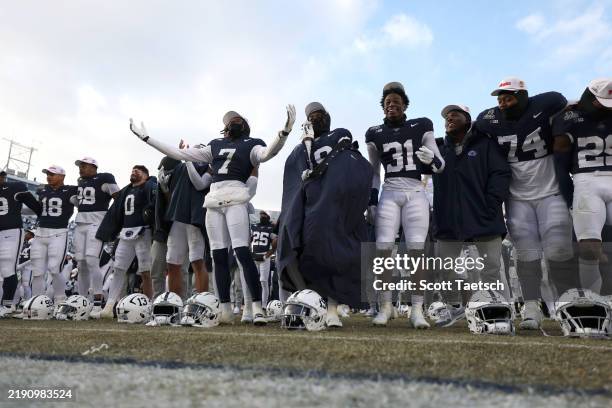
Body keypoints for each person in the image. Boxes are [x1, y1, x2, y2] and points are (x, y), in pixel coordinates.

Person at [130, 105, 296, 325]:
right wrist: (147, 138)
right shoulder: (214, 146)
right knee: (218, 257)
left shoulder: (252, 144)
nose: (232, 123)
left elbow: (267, 154)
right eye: (228, 122)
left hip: (236, 197)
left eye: (236, 120)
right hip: (213, 200)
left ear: (245, 125)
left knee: (242, 253)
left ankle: (256, 307)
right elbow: (179, 153)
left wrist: (283, 133)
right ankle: (225, 308)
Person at [475, 77, 577, 330]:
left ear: (523, 96)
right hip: (517, 197)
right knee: (526, 254)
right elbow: (473, 137)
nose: (503, 103)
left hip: (551, 191)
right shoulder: (488, 119)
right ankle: (531, 305)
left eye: (508, 97)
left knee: (558, 250)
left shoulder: (548, 102)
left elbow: (568, 109)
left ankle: (568, 303)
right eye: (499, 99)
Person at [277, 102, 372, 328]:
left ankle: (332, 308)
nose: (315, 119)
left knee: (335, 254)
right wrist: (306, 144)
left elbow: (345, 163)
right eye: (311, 116)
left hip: (334, 203)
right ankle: (308, 302)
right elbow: (295, 181)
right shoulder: (299, 149)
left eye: (319, 115)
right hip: (309, 204)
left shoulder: (339, 135)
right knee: (299, 250)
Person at [365, 82, 445, 328]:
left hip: (415, 190)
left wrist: (432, 160)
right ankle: (386, 306)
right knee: (383, 251)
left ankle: (417, 309)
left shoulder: (422, 124)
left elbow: (440, 165)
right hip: (389, 191)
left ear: (405, 104)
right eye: (388, 101)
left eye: (396, 101)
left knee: (416, 252)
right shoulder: (374, 132)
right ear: (383, 106)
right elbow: (374, 172)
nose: (392, 104)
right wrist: (371, 200)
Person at [432, 104, 511, 326]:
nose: (449, 118)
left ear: (468, 119)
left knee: (491, 268)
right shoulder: (437, 148)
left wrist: (491, 204)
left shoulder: (486, 144)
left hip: (483, 215)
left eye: (454, 114)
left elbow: (500, 173)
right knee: (444, 268)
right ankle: (455, 306)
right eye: (446, 116)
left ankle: (494, 308)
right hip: (449, 219)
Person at [553, 78, 612, 294]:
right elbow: (560, 166)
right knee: (588, 248)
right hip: (586, 180)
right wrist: (569, 199)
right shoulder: (569, 117)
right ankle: (594, 301)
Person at [96, 165, 157, 317]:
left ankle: (149, 305)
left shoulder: (150, 186)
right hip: (125, 232)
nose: (134, 172)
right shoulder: (126, 190)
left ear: (146, 175)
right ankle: (109, 306)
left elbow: (155, 204)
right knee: (118, 269)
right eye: (132, 170)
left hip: (144, 232)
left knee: (145, 271)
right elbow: (116, 211)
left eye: (138, 171)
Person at [73, 157, 120, 316]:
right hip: (80, 224)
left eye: (84, 166)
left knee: (92, 260)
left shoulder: (104, 177)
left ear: (94, 167)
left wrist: (111, 219)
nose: (81, 168)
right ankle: (81, 301)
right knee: (81, 264)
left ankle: (97, 303)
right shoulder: (80, 182)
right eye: (80, 166)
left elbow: (118, 197)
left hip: (96, 223)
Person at [29, 166, 78, 310]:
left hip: (58, 233)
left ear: (62, 177)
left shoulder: (70, 190)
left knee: (54, 269)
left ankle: (60, 300)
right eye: (47, 174)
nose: (48, 176)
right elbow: (38, 208)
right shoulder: (43, 190)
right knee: (37, 271)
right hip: (40, 233)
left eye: (52, 174)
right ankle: (36, 304)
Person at [0, 170, 38, 317]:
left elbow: (34, 205)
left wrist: (43, 219)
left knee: (8, 268)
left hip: (11, 232)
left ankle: (7, 304)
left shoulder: (15, 187)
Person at [250, 211, 276, 307]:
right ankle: (255, 303)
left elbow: (275, 242)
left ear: (268, 216)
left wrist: (268, 254)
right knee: (254, 280)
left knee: (264, 281)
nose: (262, 216)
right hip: (255, 255)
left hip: (265, 256)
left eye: (264, 214)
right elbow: (249, 239)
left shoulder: (271, 227)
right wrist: (250, 252)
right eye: (261, 214)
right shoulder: (254, 226)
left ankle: (264, 305)